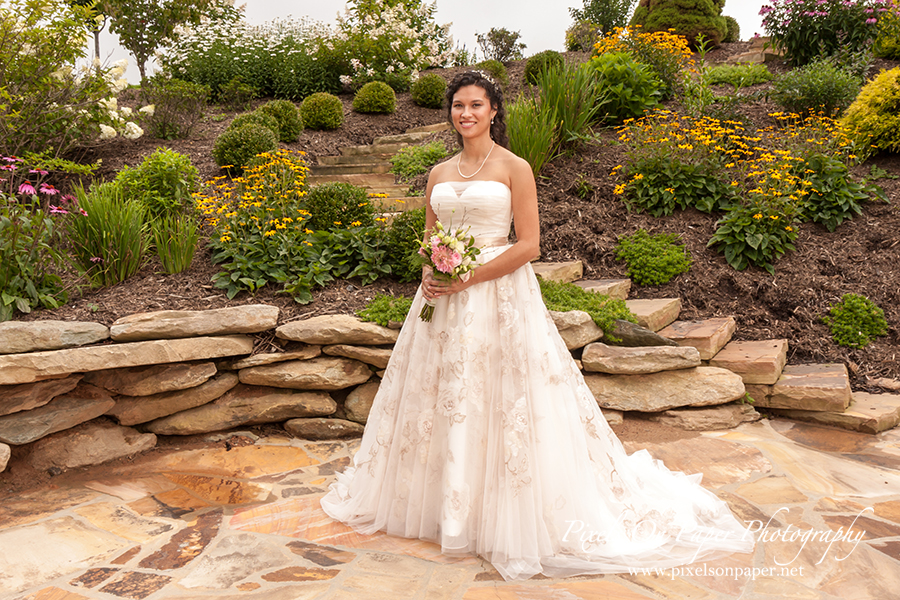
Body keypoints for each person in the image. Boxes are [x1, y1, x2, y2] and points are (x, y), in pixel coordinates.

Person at [321, 71, 754, 581]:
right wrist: (431, 272)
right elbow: (430, 237)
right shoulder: (438, 173)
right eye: (458, 105)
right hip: (442, 301)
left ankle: (503, 511)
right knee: (444, 396)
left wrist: (469, 278)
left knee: (502, 395)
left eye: (476, 105)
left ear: (494, 111)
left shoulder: (514, 167)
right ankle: (449, 507)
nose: (466, 114)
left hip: (497, 295)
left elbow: (529, 245)